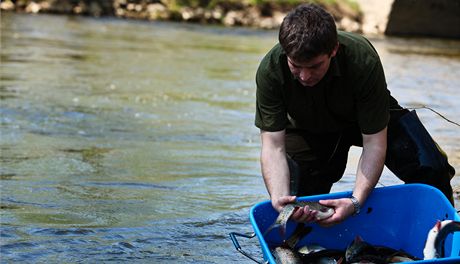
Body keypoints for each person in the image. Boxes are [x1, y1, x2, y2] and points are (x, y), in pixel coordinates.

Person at [255, 3, 455, 226]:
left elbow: (374, 142)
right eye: (296, 66)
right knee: (300, 201)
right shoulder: (271, 70)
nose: (304, 76)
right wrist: (280, 201)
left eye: (314, 66)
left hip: (369, 119)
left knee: (431, 167)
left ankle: (445, 237)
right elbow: (273, 147)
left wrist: (356, 201)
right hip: (310, 129)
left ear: (334, 50)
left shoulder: (362, 58)